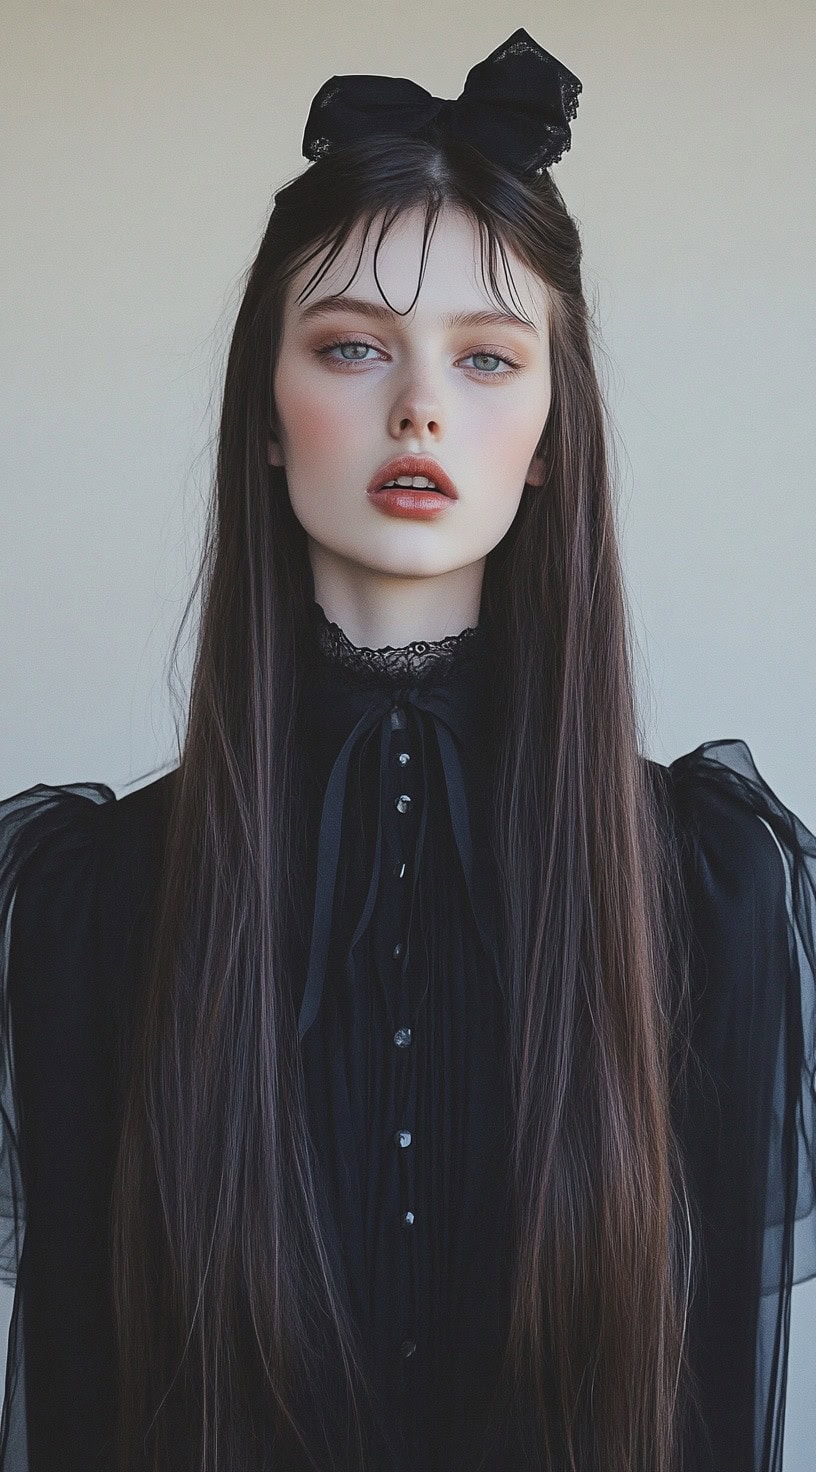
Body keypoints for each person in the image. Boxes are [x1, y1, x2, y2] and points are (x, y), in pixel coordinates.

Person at [0, 26, 813, 1472]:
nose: (420, 405)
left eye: (490, 357)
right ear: (269, 406)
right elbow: (76, 1400)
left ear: (555, 432)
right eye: (354, 345)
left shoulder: (706, 890)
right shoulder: (94, 904)